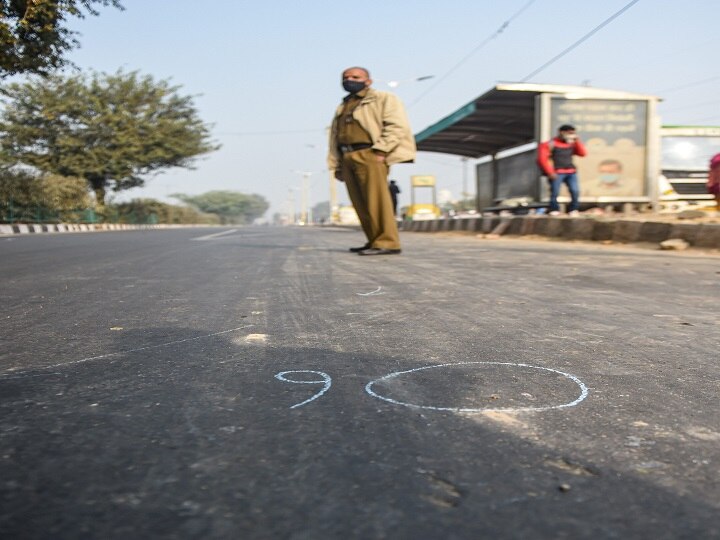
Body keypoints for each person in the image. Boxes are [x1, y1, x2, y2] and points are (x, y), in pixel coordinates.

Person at [327, 67, 416, 255]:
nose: (349, 80)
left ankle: (388, 242)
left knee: (377, 201)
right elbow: (335, 136)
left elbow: (397, 126)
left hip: (370, 153)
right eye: (345, 77)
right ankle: (373, 240)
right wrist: (337, 164)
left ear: (368, 81)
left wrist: (381, 150)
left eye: (355, 77)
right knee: (360, 202)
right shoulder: (344, 105)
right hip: (347, 156)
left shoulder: (383, 98)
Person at [537, 124, 587, 216]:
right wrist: (550, 172)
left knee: (575, 191)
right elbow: (542, 159)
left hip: (571, 172)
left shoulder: (572, 144)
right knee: (555, 192)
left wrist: (577, 141)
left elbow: (583, 153)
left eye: (573, 133)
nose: (571, 135)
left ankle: (573, 209)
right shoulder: (549, 144)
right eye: (570, 133)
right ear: (562, 132)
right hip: (556, 172)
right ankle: (554, 209)